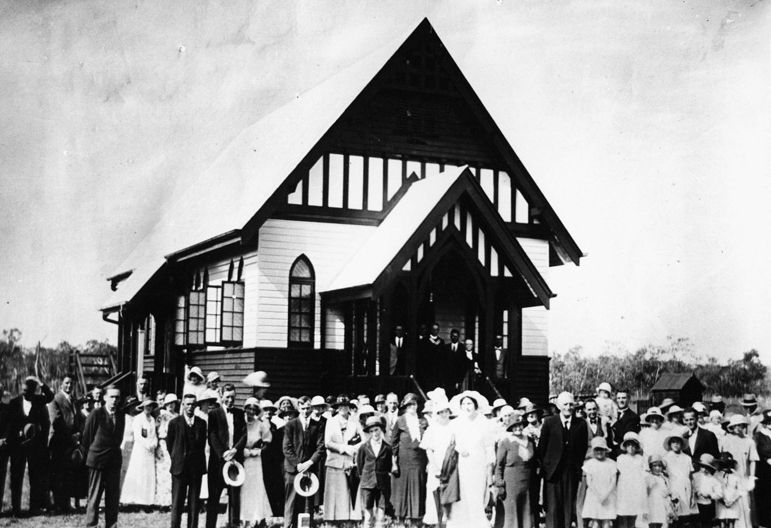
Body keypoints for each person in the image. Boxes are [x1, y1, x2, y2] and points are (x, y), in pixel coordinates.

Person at [536, 391, 588, 528]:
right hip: (553, 474)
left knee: (568, 508)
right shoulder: (549, 423)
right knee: (553, 509)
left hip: (571, 473)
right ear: (559, 406)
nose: (568, 407)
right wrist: (546, 469)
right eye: (565, 404)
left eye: (571, 404)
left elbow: (582, 448)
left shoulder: (581, 424)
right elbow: (542, 448)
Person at [445, 390, 495, 528]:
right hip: (461, 465)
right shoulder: (455, 423)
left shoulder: (483, 422)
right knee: (462, 495)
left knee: (476, 495)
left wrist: (489, 467)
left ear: (475, 405)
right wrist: (459, 448)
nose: (467, 406)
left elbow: (489, 446)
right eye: (464, 403)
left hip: (478, 464)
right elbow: (449, 444)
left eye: (470, 403)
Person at [6, 375, 54, 516]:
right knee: (16, 476)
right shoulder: (14, 403)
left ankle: (34, 507)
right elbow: (10, 423)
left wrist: (40, 382)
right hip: (18, 445)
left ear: (34, 390)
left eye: (28, 391)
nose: (25, 393)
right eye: (23, 391)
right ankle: (16, 509)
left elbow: (50, 396)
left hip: (35, 446)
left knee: (35, 476)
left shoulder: (38, 400)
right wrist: (16, 434)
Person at [82, 385, 125, 528]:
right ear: (105, 397)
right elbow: (87, 438)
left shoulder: (120, 415)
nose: (114, 400)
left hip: (113, 463)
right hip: (97, 462)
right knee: (94, 497)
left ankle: (111, 525)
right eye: (111, 397)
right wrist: (93, 455)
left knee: (113, 498)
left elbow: (118, 438)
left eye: (117, 397)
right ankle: (91, 524)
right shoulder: (96, 413)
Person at [206, 384, 246, 528]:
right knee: (214, 498)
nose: (230, 400)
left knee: (235, 498)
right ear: (221, 396)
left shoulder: (240, 413)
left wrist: (235, 450)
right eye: (227, 397)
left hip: (235, 461)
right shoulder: (213, 414)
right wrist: (223, 453)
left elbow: (243, 434)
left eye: (233, 397)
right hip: (218, 462)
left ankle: (233, 525)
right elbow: (212, 436)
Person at [282, 395, 325, 528]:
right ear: (298, 408)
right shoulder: (291, 424)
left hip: (310, 469)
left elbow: (321, 447)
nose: (305, 411)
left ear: (311, 408)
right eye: (303, 408)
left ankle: (306, 525)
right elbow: (286, 448)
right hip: (293, 469)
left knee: (308, 501)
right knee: (291, 500)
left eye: (308, 408)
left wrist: (309, 463)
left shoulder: (317, 426)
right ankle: (288, 525)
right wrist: (298, 464)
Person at [167, 393, 207, 528]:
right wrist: (177, 458)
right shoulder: (174, 423)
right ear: (183, 405)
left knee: (194, 505)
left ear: (196, 405)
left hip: (196, 469)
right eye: (188, 404)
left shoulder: (202, 423)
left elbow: (201, 445)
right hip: (179, 469)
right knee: (177, 504)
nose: (190, 407)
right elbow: (170, 444)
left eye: (193, 404)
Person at [391, 392, 428, 526]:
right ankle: (400, 521)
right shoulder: (400, 420)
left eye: (415, 404)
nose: (413, 407)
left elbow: (428, 440)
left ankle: (415, 520)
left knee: (418, 488)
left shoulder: (423, 421)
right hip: (403, 461)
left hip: (419, 460)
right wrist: (394, 461)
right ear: (405, 406)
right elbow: (393, 442)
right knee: (402, 489)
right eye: (410, 404)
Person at [494, 411, 535, 528]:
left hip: (526, 484)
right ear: (511, 428)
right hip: (511, 485)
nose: (518, 428)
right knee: (511, 517)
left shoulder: (530, 441)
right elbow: (499, 466)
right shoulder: (506, 442)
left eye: (520, 425)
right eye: (515, 426)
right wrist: (500, 484)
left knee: (526, 514)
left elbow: (535, 462)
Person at [420, 389, 453, 527]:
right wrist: (434, 466)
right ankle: (437, 521)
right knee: (435, 491)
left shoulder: (454, 426)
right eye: (440, 412)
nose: (443, 415)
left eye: (446, 411)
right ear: (436, 414)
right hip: (437, 464)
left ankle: (449, 520)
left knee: (451, 491)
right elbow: (429, 450)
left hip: (451, 464)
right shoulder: (432, 429)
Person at [324, 395, 359, 523]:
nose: (343, 408)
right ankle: (331, 519)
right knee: (333, 492)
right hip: (334, 460)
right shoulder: (331, 421)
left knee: (347, 491)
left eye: (345, 406)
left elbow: (363, 440)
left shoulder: (355, 422)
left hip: (349, 461)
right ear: (337, 408)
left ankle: (346, 518)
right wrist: (343, 448)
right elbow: (327, 443)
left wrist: (353, 449)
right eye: (340, 406)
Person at [49, 375, 82, 512]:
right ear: (61, 384)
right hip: (60, 442)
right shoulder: (55, 399)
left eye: (71, 384)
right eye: (66, 383)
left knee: (69, 473)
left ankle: (66, 503)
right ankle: (58, 504)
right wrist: (70, 437)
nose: (69, 386)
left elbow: (77, 419)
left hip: (72, 443)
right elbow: (57, 421)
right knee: (59, 473)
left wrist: (78, 434)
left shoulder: (74, 400)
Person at [240, 398, 273, 527]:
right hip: (242, 460)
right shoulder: (241, 423)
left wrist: (257, 452)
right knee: (243, 489)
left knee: (256, 488)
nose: (251, 411)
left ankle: (257, 518)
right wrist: (241, 451)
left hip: (255, 460)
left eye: (254, 409)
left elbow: (268, 441)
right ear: (245, 409)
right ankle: (243, 518)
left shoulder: (260, 424)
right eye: (249, 408)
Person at [721, 415, 757, 528]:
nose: (738, 428)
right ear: (731, 426)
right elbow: (721, 459)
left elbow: (753, 460)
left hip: (743, 477)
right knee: (730, 503)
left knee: (745, 504)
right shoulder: (725, 440)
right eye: (735, 425)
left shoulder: (749, 441)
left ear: (744, 426)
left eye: (740, 425)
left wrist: (752, 477)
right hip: (730, 477)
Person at [121, 398, 159, 506]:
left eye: (151, 406)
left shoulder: (152, 419)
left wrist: (154, 444)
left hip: (150, 451)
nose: (149, 408)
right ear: (143, 407)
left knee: (148, 474)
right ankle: (134, 500)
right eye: (146, 406)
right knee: (138, 473)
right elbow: (138, 436)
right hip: (140, 450)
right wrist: (147, 445)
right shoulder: (138, 419)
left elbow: (154, 434)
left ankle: (147, 501)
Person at [357, 415, 392, 528]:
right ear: (369, 433)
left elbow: (389, 465)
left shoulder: (387, 448)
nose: (374, 433)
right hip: (368, 483)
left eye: (376, 430)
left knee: (381, 514)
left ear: (381, 430)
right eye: (371, 431)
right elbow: (360, 465)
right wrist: (365, 478)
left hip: (382, 483)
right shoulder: (363, 447)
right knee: (368, 513)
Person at [581, 437, 617, 528]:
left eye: (601, 449)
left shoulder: (611, 463)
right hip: (594, 495)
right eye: (597, 450)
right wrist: (598, 495)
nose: (599, 452)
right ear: (593, 451)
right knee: (595, 522)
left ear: (605, 450)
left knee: (606, 523)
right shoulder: (590, 463)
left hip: (608, 496)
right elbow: (589, 482)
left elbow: (613, 481)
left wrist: (605, 495)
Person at [663, 435, 698, 524]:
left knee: (686, 515)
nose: (676, 444)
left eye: (678, 442)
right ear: (670, 444)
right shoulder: (666, 458)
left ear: (681, 444)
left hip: (686, 487)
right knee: (675, 513)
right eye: (673, 442)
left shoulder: (687, 458)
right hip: (673, 486)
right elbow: (664, 476)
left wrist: (693, 495)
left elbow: (690, 476)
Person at [615, 432, 647, 528]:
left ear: (637, 447)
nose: (631, 447)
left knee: (634, 514)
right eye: (628, 445)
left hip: (636, 488)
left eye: (633, 445)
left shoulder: (640, 459)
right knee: (623, 514)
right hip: (624, 489)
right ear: (625, 446)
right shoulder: (620, 458)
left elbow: (643, 474)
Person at [260, 399, 285, 516]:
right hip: (260, 460)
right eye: (266, 410)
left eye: (271, 410)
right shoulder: (256, 425)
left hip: (273, 461)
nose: (268, 412)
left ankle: (275, 511)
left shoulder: (275, 426)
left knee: (273, 485)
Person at [157, 393, 179, 509]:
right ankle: (162, 502)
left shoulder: (177, 416)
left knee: (172, 473)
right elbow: (155, 430)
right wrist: (157, 446)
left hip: (174, 445)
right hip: (163, 444)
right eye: (168, 403)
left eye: (173, 403)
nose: (171, 405)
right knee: (162, 474)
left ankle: (172, 502)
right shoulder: (161, 415)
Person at [693, 453, 722, 528]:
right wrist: (696, 492)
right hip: (696, 504)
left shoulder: (713, 479)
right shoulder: (695, 476)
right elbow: (691, 488)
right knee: (696, 524)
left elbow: (719, 493)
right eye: (703, 467)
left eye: (707, 467)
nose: (705, 469)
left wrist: (710, 495)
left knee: (707, 524)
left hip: (707, 505)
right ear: (700, 466)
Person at [646, 455, 673, 528]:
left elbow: (668, 490)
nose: (657, 468)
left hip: (662, 505)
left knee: (662, 523)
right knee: (652, 522)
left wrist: (668, 494)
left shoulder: (664, 478)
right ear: (651, 466)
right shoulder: (648, 477)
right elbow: (645, 493)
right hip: (652, 504)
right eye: (655, 466)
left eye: (659, 466)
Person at [717, 452, 742, 528]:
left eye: (728, 464)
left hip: (733, 501)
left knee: (731, 521)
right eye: (723, 464)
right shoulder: (717, 475)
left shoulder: (736, 476)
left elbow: (740, 489)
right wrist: (722, 500)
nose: (726, 467)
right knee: (722, 520)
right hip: (721, 501)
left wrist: (733, 500)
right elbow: (715, 489)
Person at [755, 409, 771, 528]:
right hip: (765, 471)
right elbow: (757, 453)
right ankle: (765, 522)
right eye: (769, 421)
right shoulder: (759, 435)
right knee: (766, 497)